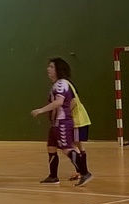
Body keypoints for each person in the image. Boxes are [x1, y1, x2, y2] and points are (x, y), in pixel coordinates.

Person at [30, 57, 93, 186]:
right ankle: (53, 176)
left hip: (63, 122)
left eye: (51, 67)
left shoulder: (61, 84)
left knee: (66, 148)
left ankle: (85, 172)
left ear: (58, 69)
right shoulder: (56, 84)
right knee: (51, 147)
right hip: (55, 123)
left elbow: (59, 102)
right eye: (48, 66)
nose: (48, 69)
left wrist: (41, 110)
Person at [66, 78, 92, 181]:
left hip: (77, 120)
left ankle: (83, 172)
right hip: (81, 119)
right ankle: (82, 172)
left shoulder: (65, 85)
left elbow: (74, 101)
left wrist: (65, 113)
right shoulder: (68, 84)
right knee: (79, 145)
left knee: (73, 145)